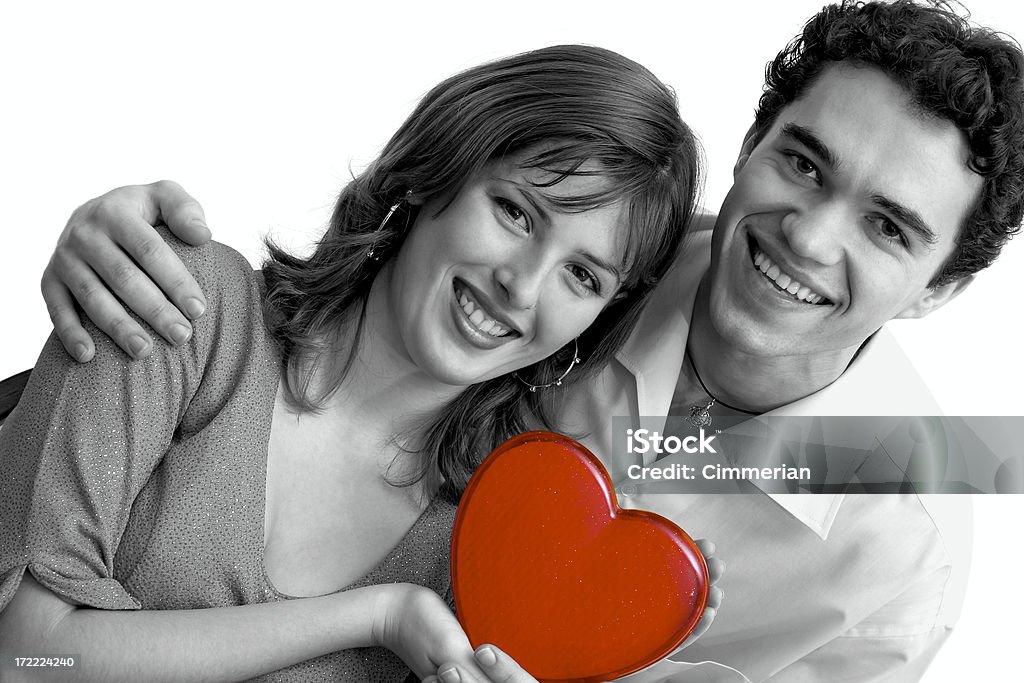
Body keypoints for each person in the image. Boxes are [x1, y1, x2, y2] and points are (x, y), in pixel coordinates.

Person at [26, 1, 1024, 681]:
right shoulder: (619, 236)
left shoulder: (915, 536)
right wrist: (112, 238)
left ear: (937, 290)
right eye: (802, 164)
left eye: (888, 226)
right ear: (751, 149)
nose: (809, 238)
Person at [0, 45, 712, 683]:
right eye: (516, 212)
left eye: (582, 276)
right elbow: (28, 654)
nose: (522, 286)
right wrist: (378, 616)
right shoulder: (181, 303)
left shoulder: (483, 552)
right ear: (439, 170)